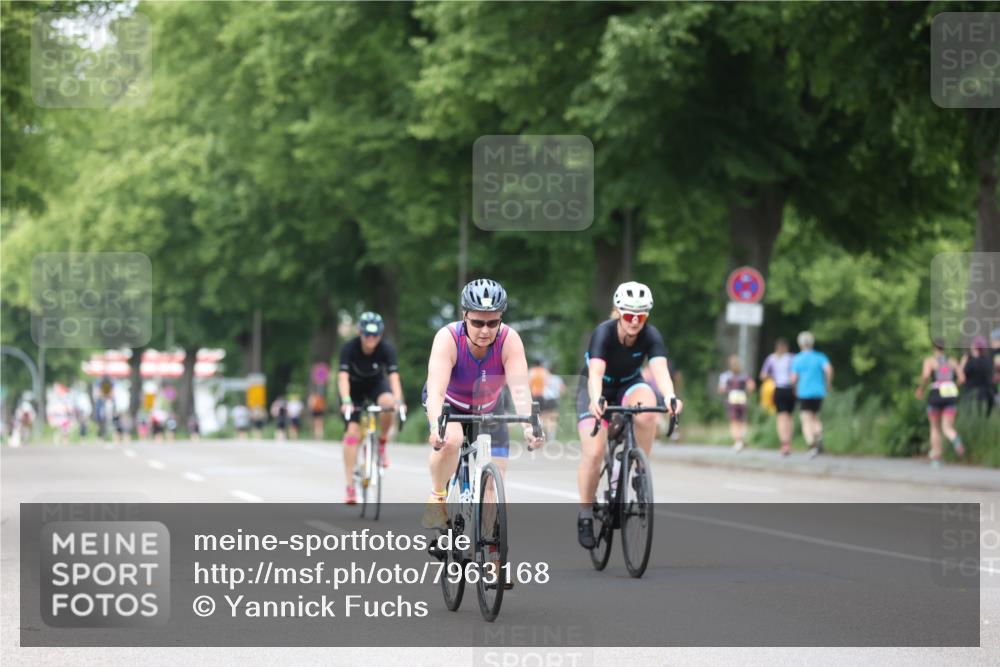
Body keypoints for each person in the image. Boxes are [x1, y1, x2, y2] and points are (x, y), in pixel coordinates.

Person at [422, 279, 544, 530]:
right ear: (465, 316)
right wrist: (437, 427)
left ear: (500, 319)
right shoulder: (448, 338)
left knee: (495, 486)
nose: (485, 330)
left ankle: (496, 565)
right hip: (450, 403)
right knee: (452, 440)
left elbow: (520, 390)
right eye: (477, 322)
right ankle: (437, 497)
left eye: (492, 322)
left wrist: (529, 425)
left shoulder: (510, 341)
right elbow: (436, 392)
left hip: (489, 408)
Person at [575, 281, 682, 549]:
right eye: (629, 316)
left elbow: (660, 372)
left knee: (647, 411)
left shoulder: (651, 335)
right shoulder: (604, 333)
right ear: (619, 313)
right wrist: (597, 399)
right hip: (596, 387)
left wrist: (670, 397)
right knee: (594, 453)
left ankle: (637, 467)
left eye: (641, 316)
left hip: (629, 385)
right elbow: (596, 373)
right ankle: (586, 514)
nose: (635, 322)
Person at [337, 312, 406, 504]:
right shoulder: (349, 348)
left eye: (375, 335)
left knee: (388, 403)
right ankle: (350, 487)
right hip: (353, 389)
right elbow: (342, 377)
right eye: (367, 334)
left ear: (381, 335)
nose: (371, 339)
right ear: (360, 332)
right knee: (352, 432)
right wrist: (346, 400)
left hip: (376, 385)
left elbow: (393, 377)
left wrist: (399, 400)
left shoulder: (386, 349)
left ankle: (382, 443)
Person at [916, 338, 965, 467]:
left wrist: (920, 389)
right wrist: (953, 386)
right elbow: (962, 378)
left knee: (935, 428)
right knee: (947, 427)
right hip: (950, 395)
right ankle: (955, 438)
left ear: (934, 347)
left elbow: (926, 376)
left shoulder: (930, 361)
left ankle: (936, 458)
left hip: (936, 394)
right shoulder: (952, 361)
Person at [791, 331, 832, 459]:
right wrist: (828, 383)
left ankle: (811, 444)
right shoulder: (820, 357)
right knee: (816, 417)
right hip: (818, 391)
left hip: (804, 392)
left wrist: (794, 388)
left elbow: (793, 378)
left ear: (800, 344)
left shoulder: (798, 358)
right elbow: (828, 369)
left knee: (805, 419)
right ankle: (819, 435)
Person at [760, 338, 795, 455]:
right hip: (790, 389)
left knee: (781, 417)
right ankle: (788, 443)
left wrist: (773, 377)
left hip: (779, 389)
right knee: (789, 417)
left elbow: (763, 375)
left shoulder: (771, 358)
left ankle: (784, 443)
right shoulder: (792, 357)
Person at [719, 354, 755, 452]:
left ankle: (738, 441)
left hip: (732, 399)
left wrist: (728, 389)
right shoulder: (744, 375)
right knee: (742, 421)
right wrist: (745, 390)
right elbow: (751, 386)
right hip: (742, 399)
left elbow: (721, 389)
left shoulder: (725, 376)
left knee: (734, 421)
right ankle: (741, 440)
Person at [960, 336, 995, 417]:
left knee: (972, 418)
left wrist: (963, 362)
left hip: (972, 395)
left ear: (974, 347)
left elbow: (962, 377)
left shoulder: (970, 362)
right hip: (987, 394)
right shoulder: (988, 361)